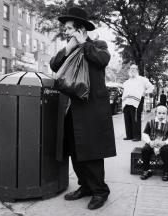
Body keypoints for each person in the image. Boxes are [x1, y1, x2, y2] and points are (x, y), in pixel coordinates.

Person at [50, 7, 116, 210]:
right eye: (66, 29)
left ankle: (100, 191)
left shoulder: (97, 45)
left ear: (80, 30)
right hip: (72, 109)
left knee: (92, 151)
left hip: (91, 109)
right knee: (75, 150)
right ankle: (85, 187)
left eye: (69, 28)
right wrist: (69, 47)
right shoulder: (69, 50)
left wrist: (84, 43)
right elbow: (54, 65)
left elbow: (102, 60)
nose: (66, 32)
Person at [140, 104, 168, 181]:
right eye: (159, 113)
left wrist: (165, 142)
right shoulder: (150, 123)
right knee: (145, 150)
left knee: (166, 152)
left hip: (162, 144)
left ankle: (166, 171)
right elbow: (145, 134)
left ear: (167, 114)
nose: (161, 115)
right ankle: (146, 170)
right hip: (152, 142)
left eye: (164, 113)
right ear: (156, 113)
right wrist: (149, 142)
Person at [122, 64, 154, 141]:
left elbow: (151, 87)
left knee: (136, 118)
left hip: (137, 101)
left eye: (134, 68)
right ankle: (129, 135)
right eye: (131, 68)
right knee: (127, 118)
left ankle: (137, 136)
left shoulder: (142, 79)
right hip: (127, 102)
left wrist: (145, 93)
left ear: (137, 70)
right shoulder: (126, 82)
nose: (132, 70)